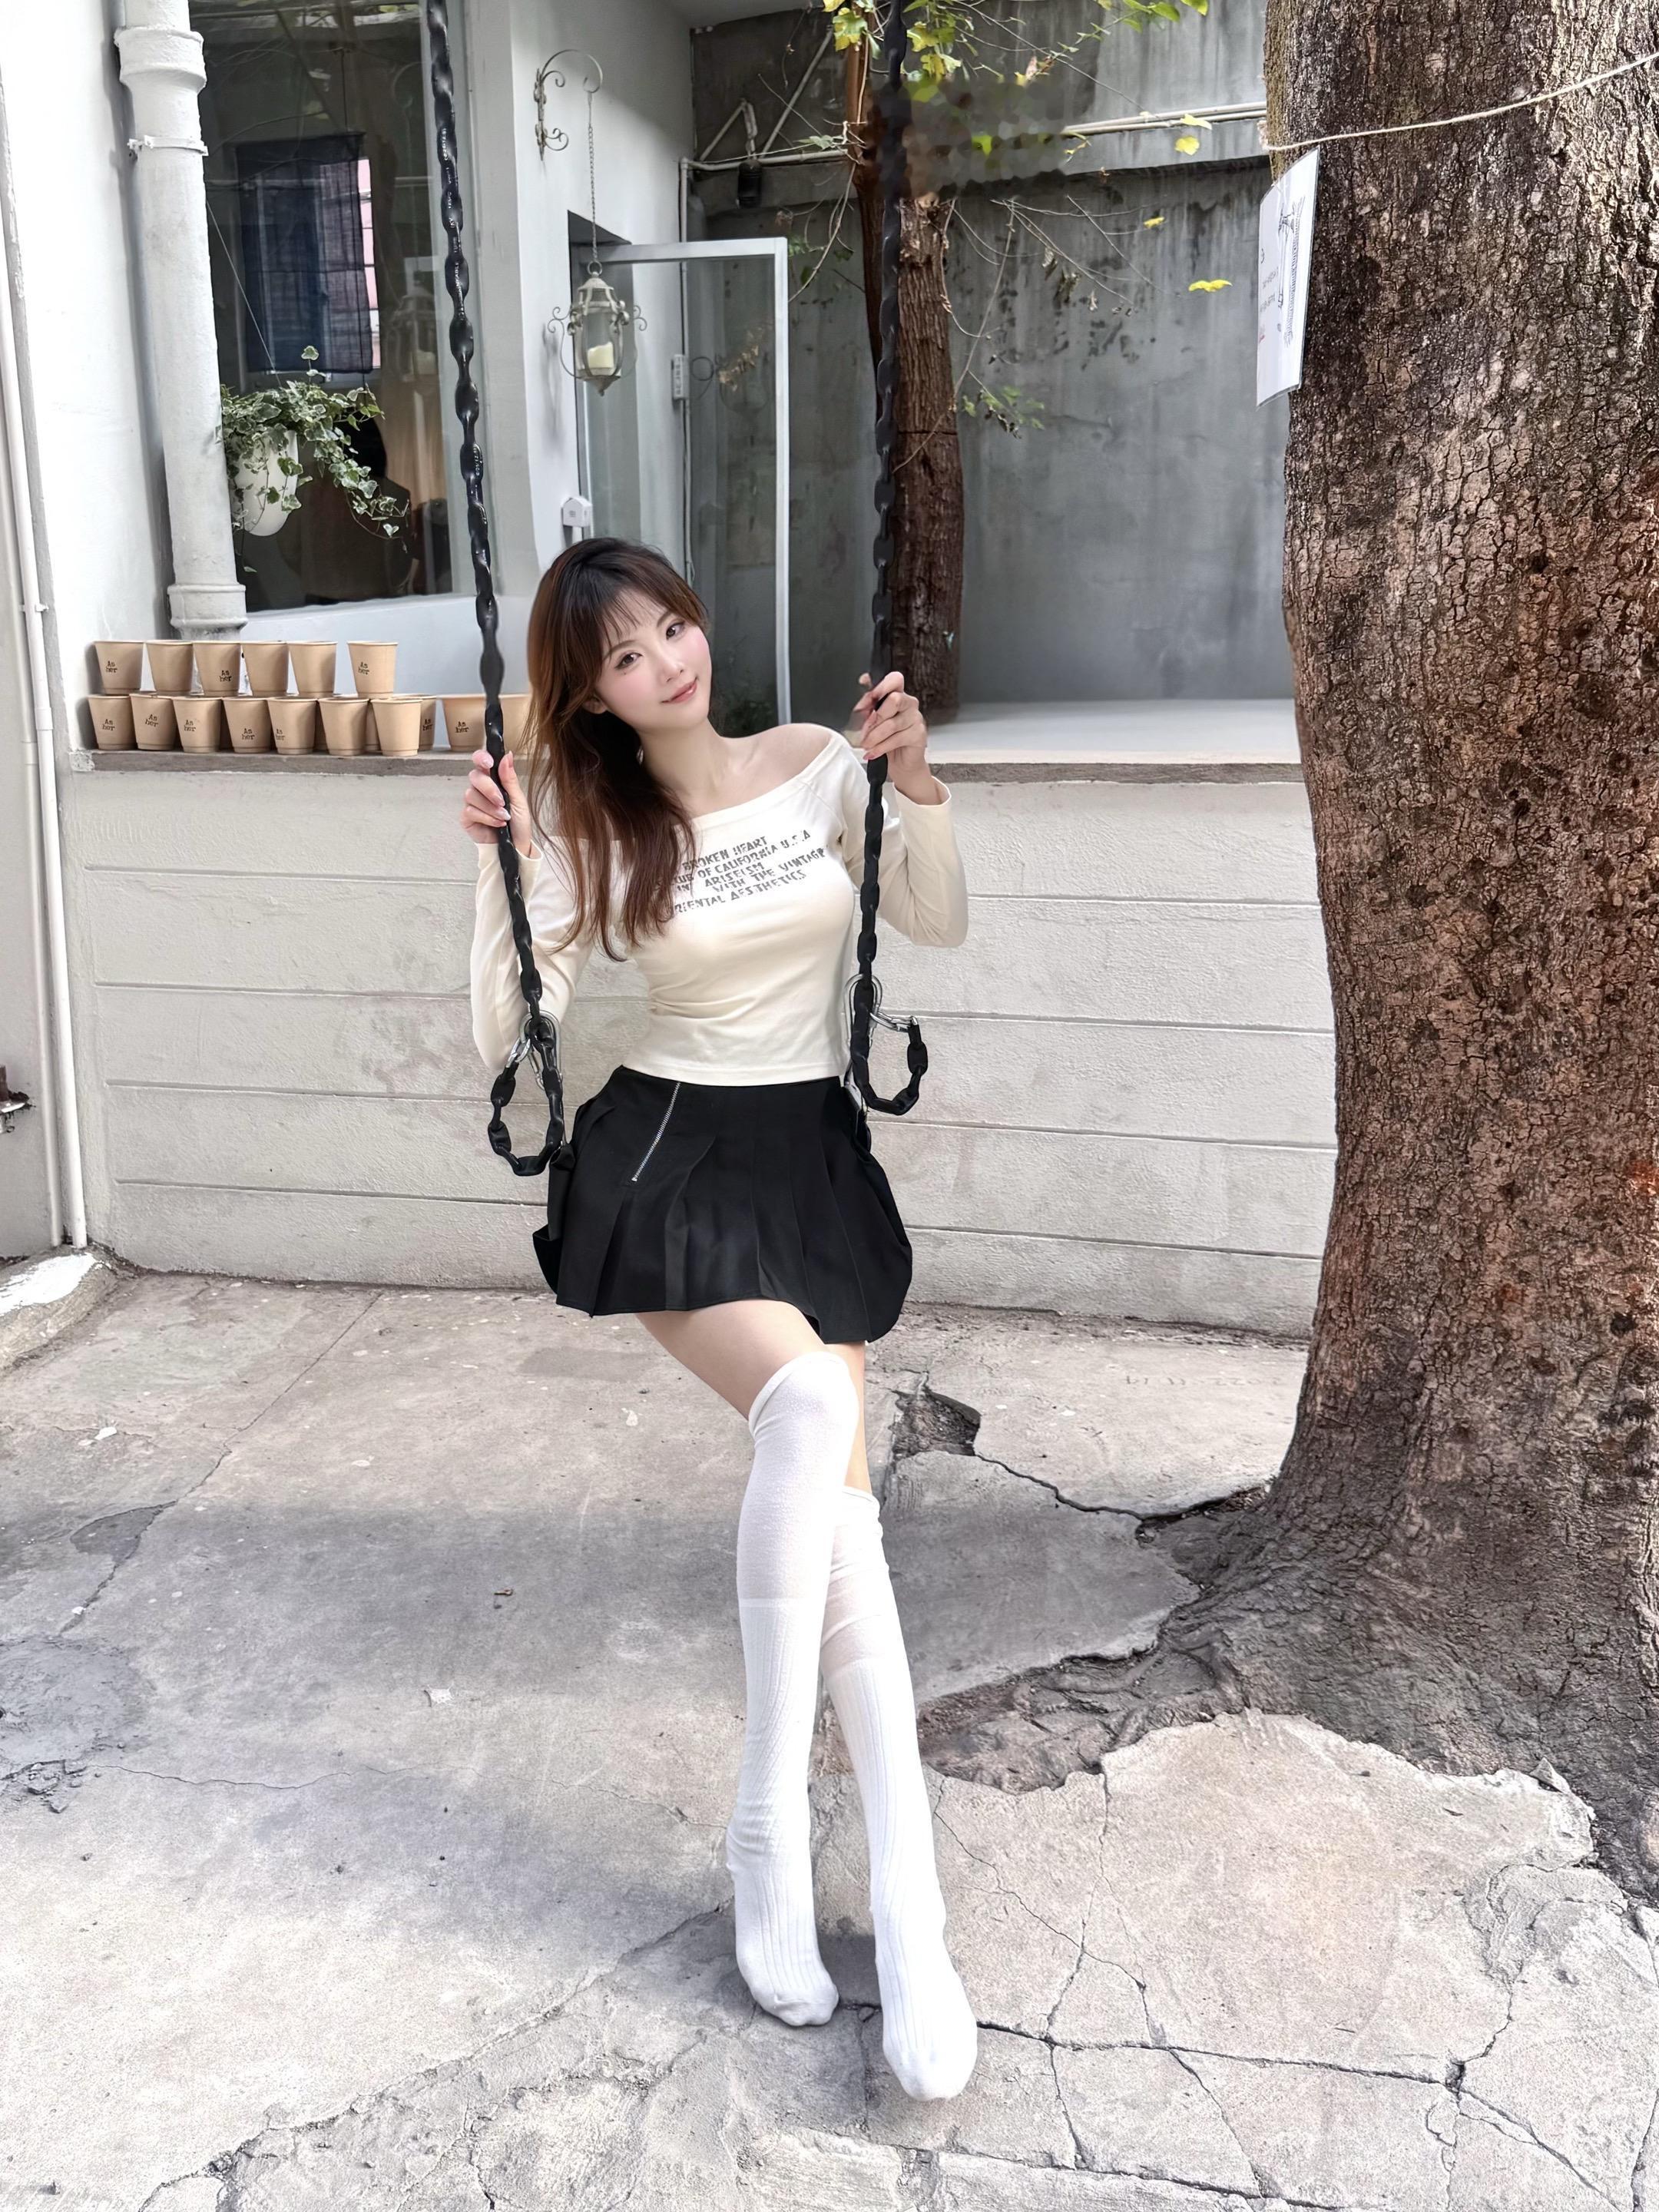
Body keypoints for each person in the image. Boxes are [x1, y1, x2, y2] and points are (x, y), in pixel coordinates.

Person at [462, 537, 977, 2101]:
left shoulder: (819, 765)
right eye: (624, 656)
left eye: (671, 626)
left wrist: (919, 783)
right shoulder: (599, 828)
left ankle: (904, 1905)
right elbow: (510, 1027)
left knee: (848, 1522)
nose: (666, 663)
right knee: (811, 1413)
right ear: (595, 699)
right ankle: (775, 1825)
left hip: (805, 1152)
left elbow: (935, 919)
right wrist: (495, 870)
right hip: (671, 1153)